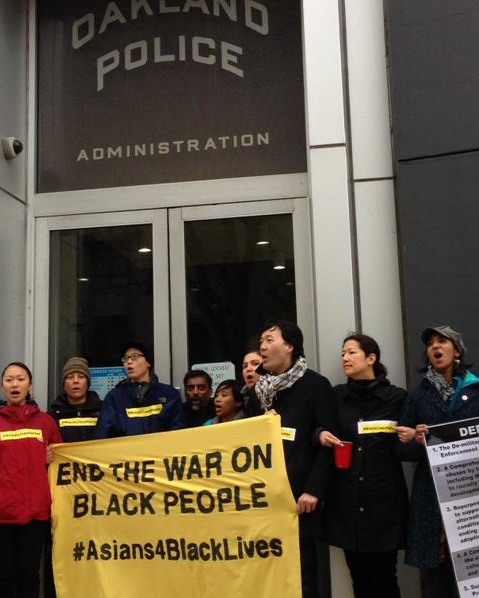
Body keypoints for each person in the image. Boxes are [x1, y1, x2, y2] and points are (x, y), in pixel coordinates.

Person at [318, 333, 408, 598]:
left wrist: (412, 436)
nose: (344, 358)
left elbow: (409, 445)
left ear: (371, 358)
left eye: (351, 352)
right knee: (359, 581)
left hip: (384, 505)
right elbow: (316, 425)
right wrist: (320, 434)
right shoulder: (335, 396)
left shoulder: (397, 398)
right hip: (347, 505)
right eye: (342, 353)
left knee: (385, 581)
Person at [255, 319, 337, 598]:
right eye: (261, 341)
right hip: (265, 498)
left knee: (302, 576)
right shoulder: (262, 390)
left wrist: (313, 490)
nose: (262, 347)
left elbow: (330, 442)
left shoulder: (316, 385)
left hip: (298, 498)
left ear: (289, 346)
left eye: (269, 340)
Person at [397, 325, 479, 598]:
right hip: (432, 499)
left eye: (442, 341)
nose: (435, 347)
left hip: (471, 496)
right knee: (436, 581)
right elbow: (401, 449)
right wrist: (419, 442)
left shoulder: (476, 390)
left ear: (456, 351)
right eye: (430, 343)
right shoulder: (419, 394)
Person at [0, 362, 62, 598]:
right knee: (4, 579)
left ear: (30, 385)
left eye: (21, 379)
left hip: (35, 514)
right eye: (9, 379)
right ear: (3, 386)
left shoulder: (45, 422)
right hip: (2, 514)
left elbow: (61, 460)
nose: (15, 384)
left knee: (29, 578)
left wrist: (51, 458)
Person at [94, 341, 184, 438]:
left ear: (148, 362)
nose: (129, 362)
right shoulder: (114, 397)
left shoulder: (169, 394)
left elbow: (178, 432)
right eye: (125, 358)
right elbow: (104, 434)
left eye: (134, 357)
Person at [49, 357, 102, 442]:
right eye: (70, 377)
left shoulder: (103, 411)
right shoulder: (53, 416)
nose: (76, 381)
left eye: (81, 377)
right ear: (64, 385)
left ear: (87, 383)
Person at [241, 348, 263, 417]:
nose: (248, 369)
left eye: (255, 364)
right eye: (245, 366)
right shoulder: (240, 399)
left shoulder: (274, 394)